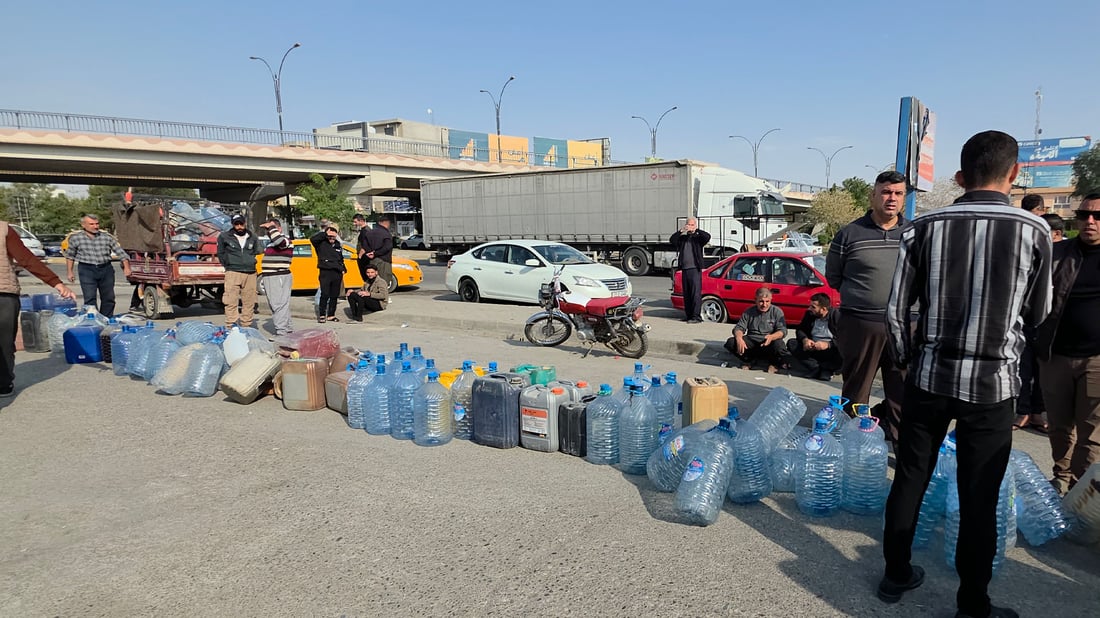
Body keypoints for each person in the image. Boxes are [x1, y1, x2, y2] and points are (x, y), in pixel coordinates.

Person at [879, 130, 1051, 618]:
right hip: (993, 387)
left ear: (960, 175)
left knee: (911, 476)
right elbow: (1038, 314)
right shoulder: (1033, 230)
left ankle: (895, 575)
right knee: (980, 495)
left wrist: (910, 359)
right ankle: (972, 604)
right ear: (1014, 173)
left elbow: (895, 312)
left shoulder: (922, 228)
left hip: (929, 377)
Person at [826, 170, 911, 440]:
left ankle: (903, 451)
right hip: (860, 324)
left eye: (898, 193)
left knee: (903, 393)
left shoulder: (915, 234)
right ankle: (851, 445)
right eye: (886, 192)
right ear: (873, 195)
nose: (892, 198)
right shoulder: (849, 234)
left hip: (905, 327)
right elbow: (834, 278)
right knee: (856, 390)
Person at [1034, 193, 1100, 496]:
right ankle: (1061, 476)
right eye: (1084, 215)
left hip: (1096, 361)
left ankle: (1080, 489)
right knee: (1059, 426)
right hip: (1055, 355)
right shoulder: (1057, 253)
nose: (1090, 222)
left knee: (1093, 432)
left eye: (1098, 217)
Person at [2, 221, 77, 398]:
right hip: (3, 294)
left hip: (3, 293)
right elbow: (26, 259)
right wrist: (56, 282)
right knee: (4, 341)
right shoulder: (4, 229)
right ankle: (3, 384)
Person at [64, 214, 132, 317]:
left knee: (108, 297)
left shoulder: (106, 237)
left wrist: (127, 268)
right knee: (90, 297)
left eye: (97, 224)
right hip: (87, 270)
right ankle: (93, 320)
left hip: (105, 269)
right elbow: (70, 256)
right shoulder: (76, 238)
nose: (95, 226)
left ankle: (106, 319)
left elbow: (121, 253)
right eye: (91, 224)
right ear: (84, 225)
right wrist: (70, 272)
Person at [724, 286, 791, 373]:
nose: (764, 305)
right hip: (752, 341)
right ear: (755, 300)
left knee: (779, 345)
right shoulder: (749, 311)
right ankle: (748, 361)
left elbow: (782, 331)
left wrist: (771, 337)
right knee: (731, 342)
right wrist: (739, 338)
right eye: (761, 301)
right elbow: (739, 327)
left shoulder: (777, 311)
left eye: (767, 302)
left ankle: (774, 364)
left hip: (768, 342)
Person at [216, 214, 262, 329]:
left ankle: (246, 325)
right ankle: (232, 326)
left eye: (241, 223)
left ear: (245, 223)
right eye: (236, 224)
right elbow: (220, 253)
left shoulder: (253, 237)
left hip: (250, 272)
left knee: (249, 301)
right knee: (230, 300)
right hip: (233, 272)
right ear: (233, 224)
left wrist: (251, 261)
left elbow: (258, 250)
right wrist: (228, 264)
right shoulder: (224, 237)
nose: (239, 226)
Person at [786, 292, 841, 381]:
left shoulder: (837, 316)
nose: (810, 308)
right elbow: (800, 330)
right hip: (813, 347)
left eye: (813, 307)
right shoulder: (810, 314)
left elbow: (846, 339)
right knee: (792, 343)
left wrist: (828, 344)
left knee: (844, 351)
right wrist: (805, 339)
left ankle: (827, 370)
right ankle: (816, 368)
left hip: (830, 349)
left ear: (823, 309)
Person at [670, 217, 711, 323]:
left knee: (695, 293)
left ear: (695, 225)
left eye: (692, 225)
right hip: (685, 269)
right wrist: (681, 231)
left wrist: (696, 230)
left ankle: (696, 316)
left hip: (695, 269)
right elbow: (672, 240)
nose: (690, 227)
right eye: (689, 224)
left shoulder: (698, 239)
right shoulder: (683, 239)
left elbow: (707, 237)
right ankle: (688, 316)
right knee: (687, 294)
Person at [258, 218, 294, 337]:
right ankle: (287, 329)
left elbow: (280, 242)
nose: (269, 232)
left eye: (271, 229)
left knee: (278, 304)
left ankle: (282, 331)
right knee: (281, 304)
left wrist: (272, 227)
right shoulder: (272, 242)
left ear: (278, 229)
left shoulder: (284, 240)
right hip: (272, 275)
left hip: (278, 275)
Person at [311, 224, 346, 323]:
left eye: (333, 236)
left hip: (337, 272)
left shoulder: (338, 244)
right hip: (325, 271)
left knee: (334, 295)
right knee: (325, 294)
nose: (331, 238)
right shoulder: (321, 243)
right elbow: (313, 239)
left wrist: (343, 268)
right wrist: (325, 233)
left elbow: (340, 258)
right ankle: (322, 315)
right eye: (330, 236)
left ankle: (331, 315)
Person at [361, 217, 393, 290]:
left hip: (371, 260)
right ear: (386, 223)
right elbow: (387, 247)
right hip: (384, 260)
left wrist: (370, 253)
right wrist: (375, 253)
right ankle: (382, 297)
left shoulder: (369, 232)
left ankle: (372, 296)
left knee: (372, 279)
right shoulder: (386, 233)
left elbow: (365, 245)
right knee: (383, 280)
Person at [352, 213, 370, 279]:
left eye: (355, 222)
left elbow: (365, 245)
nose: (354, 224)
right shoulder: (363, 230)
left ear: (361, 221)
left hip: (364, 257)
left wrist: (360, 256)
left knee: (365, 275)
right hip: (364, 256)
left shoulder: (365, 231)